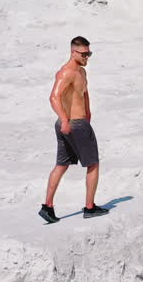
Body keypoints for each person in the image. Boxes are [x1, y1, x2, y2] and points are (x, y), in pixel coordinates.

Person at [40, 36, 108, 223]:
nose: (88, 57)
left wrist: (88, 112)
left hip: (75, 123)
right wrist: (64, 119)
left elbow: (84, 93)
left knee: (62, 165)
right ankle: (90, 207)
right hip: (73, 124)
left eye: (89, 53)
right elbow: (54, 97)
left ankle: (47, 207)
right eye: (84, 54)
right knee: (93, 164)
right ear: (73, 52)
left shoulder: (81, 72)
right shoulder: (66, 73)